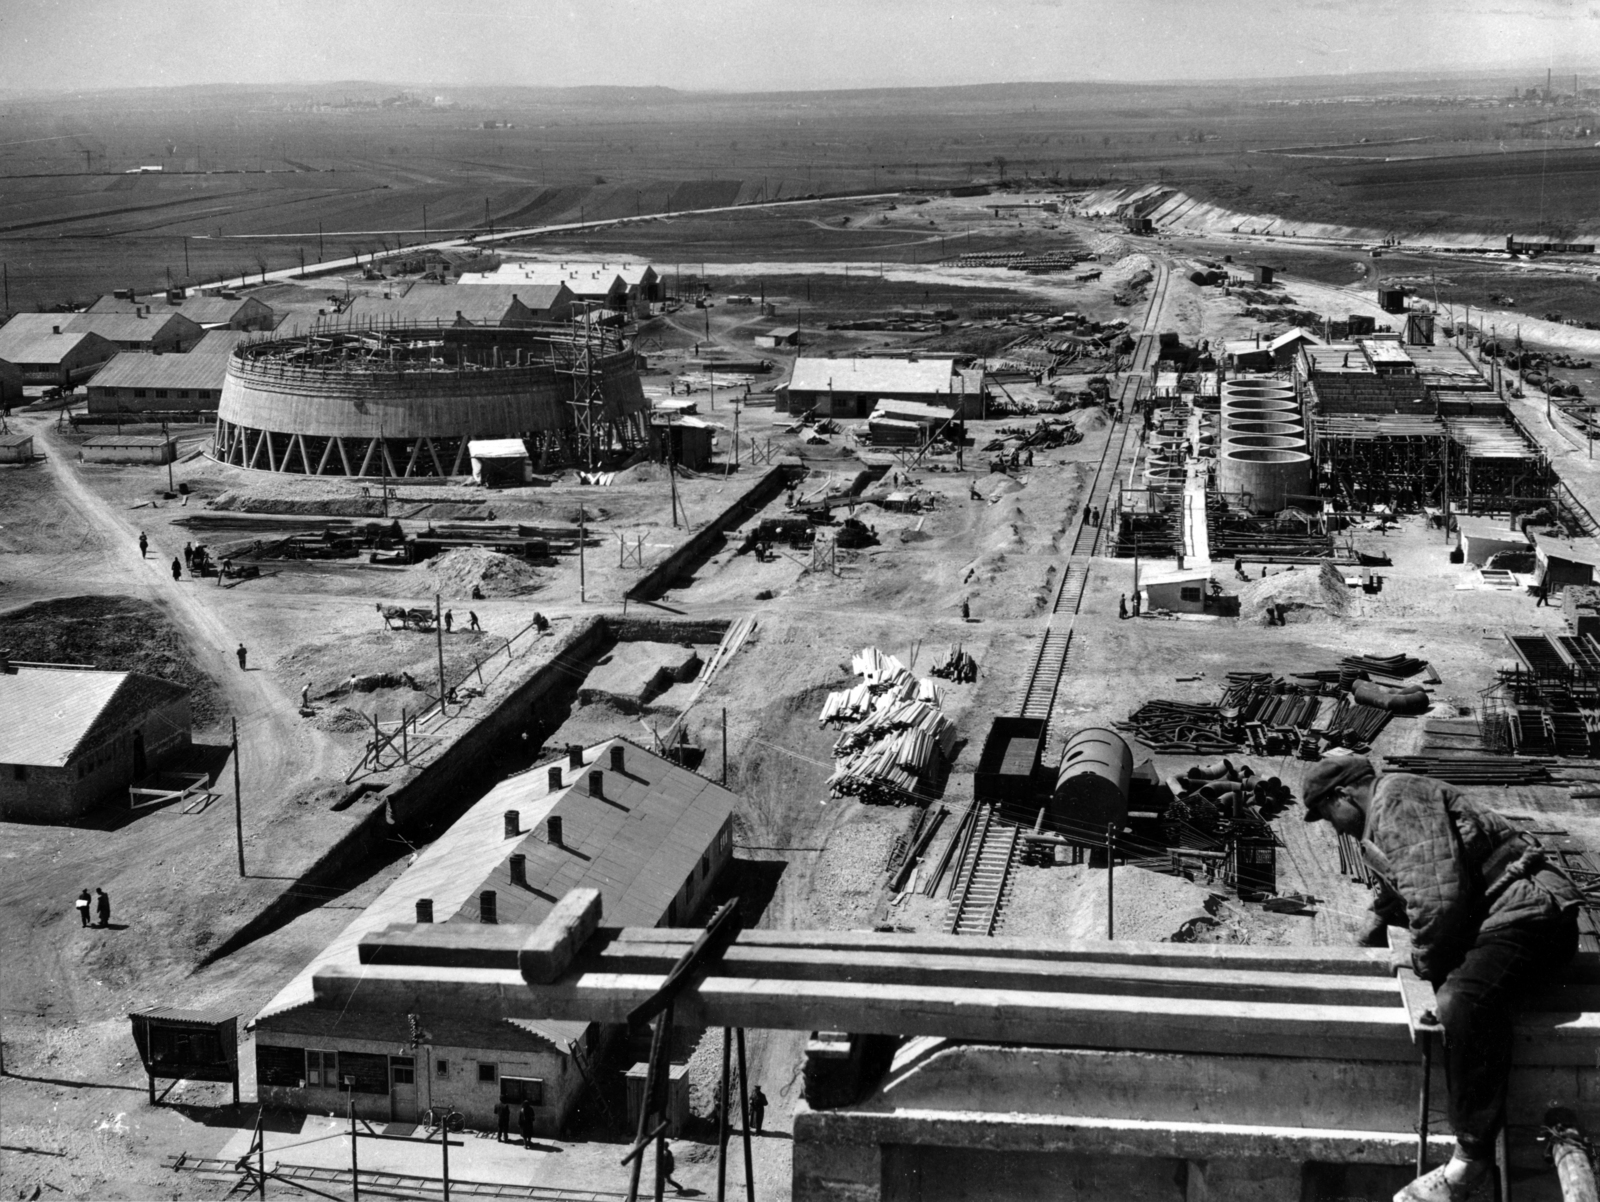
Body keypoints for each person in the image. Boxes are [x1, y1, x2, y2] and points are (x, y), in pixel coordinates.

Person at [1300, 756, 1581, 1202]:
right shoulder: (1385, 815)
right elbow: (1399, 893)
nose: (1334, 829)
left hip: (1532, 915)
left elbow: (1438, 902)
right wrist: (1361, 949)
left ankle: (1470, 1161)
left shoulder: (1395, 800)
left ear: (1344, 795)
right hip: (1502, 918)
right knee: (1456, 986)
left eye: (1328, 815)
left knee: (1462, 1002)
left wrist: (1424, 964)